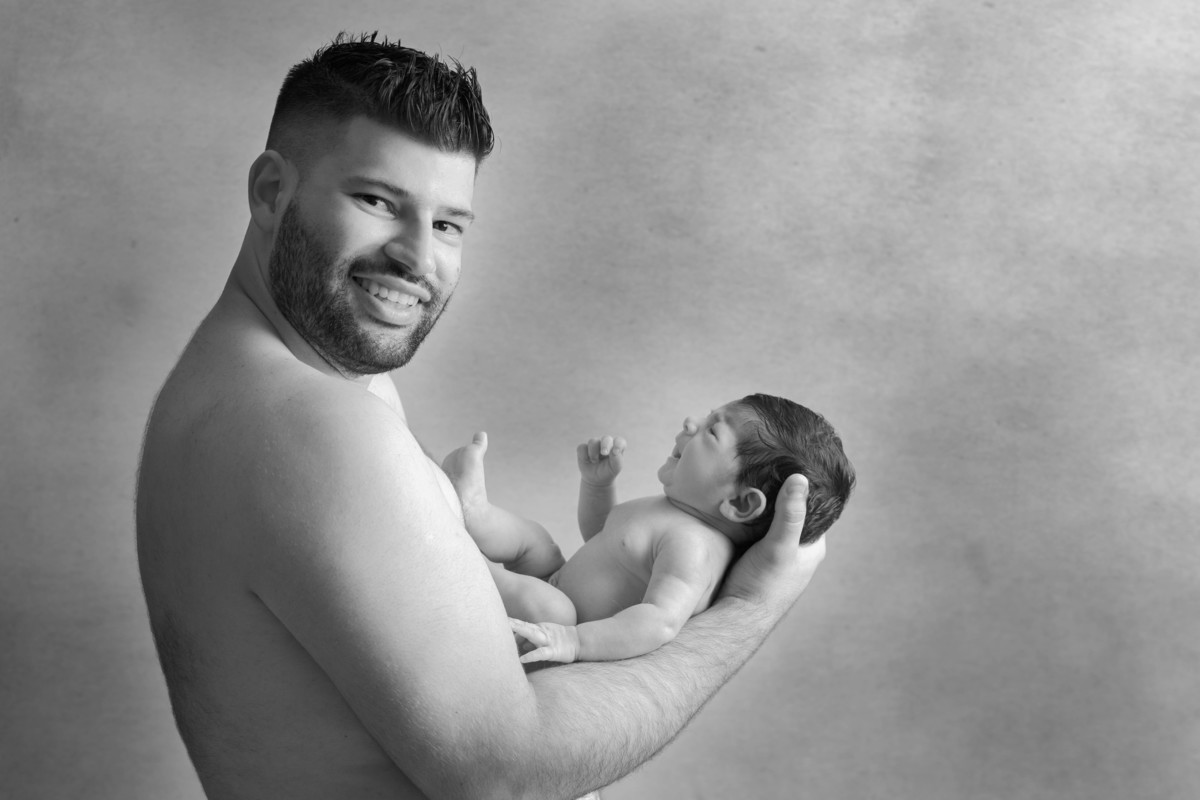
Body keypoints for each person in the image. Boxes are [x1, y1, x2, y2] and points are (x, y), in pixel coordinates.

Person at [136, 32, 828, 800]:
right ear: (272, 191)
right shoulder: (311, 427)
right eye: (376, 201)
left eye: (447, 225)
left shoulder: (276, 382)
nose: (417, 258)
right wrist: (749, 609)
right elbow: (502, 772)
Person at [443, 394, 854, 664]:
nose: (691, 423)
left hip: (558, 627)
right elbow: (603, 536)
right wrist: (598, 485)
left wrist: (574, 642)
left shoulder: (694, 547)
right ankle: (475, 514)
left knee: (550, 606)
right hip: (555, 580)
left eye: (712, 430)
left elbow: (660, 621)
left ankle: (464, 558)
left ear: (740, 503)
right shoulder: (670, 509)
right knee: (538, 542)